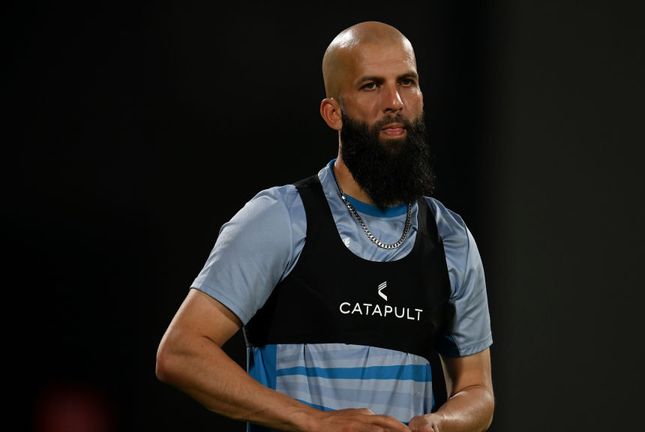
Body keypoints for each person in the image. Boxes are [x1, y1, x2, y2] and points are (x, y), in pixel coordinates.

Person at [156, 21, 494, 432]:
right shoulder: (280, 218)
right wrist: (314, 422)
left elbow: (477, 390)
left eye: (406, 81)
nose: (394, 102)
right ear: (333, 113)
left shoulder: (450, 238)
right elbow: (181, 353)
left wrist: (438, 425)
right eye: (371, 85)